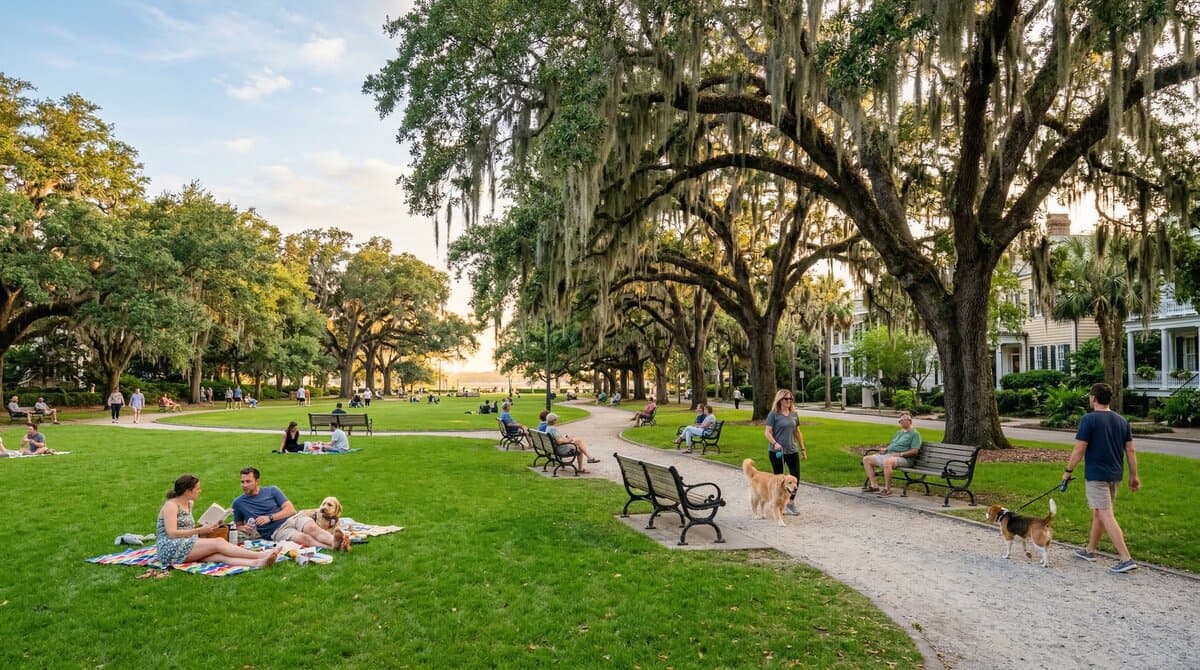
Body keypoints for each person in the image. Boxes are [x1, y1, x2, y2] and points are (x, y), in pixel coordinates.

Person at [1063, 382, 1142, 574]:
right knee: (1099, 512)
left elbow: (1079, 448)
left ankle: (1125, 558)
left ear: (1093, 398)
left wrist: (1068, 471)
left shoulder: (1089, 420)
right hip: (1115, 474)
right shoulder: (1122, 421)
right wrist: (1134, 475)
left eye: (1090, 396)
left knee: (1105, 513)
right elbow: (1130, 450)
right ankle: (1090, 551)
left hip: (1096, 475)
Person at [156, 474, 280, 570]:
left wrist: (212, 524)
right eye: (197, 489)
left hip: (187, 542)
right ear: (188, 491)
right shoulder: (171, 506)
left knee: (219, 555)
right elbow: (171, 533)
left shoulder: (189, 503)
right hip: (169, 548)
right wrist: (199, 530)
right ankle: (260, 555)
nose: (200, 491)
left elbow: (185, 527)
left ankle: (257, 563)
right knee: (218, 543)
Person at [231, 467, 349, 551]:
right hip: (276, 530)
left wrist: (270, 517)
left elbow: (291, 510)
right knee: (304, 538)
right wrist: (243, 527)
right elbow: (238, 525)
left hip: (294, 517)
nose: (244, 485)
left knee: (312, 528)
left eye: (248, 481)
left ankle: (335, 540)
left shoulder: (272, 490)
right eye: (242, 482)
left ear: (257, 481)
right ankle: (333, 546)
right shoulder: (238, 502)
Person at [764, 389, 806, 515]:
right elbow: (767, 432)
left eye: (790, 399)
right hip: (777, 452)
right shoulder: (773, 414)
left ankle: (790, 503)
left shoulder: (794, 414)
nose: (789, 401)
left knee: (795, 477)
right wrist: (775, 443)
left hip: (792, 451)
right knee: (779, 480)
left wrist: (803, 448)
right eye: (786, 399)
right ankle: (779, 503)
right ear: (780, 400)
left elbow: (797, 432)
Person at [861, 412, 921, 495]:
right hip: (890, 454)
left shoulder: (915, 434)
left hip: (905, 459)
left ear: (910, 421)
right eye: (900, 421)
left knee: (888, 462)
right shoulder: (899, 432)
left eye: (903, 420)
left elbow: (915, 451)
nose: (901, 422)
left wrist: (900, 454)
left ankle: (887, 489)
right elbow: (894, 444)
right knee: (866, 459)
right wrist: (886, 449)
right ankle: (874, 486)